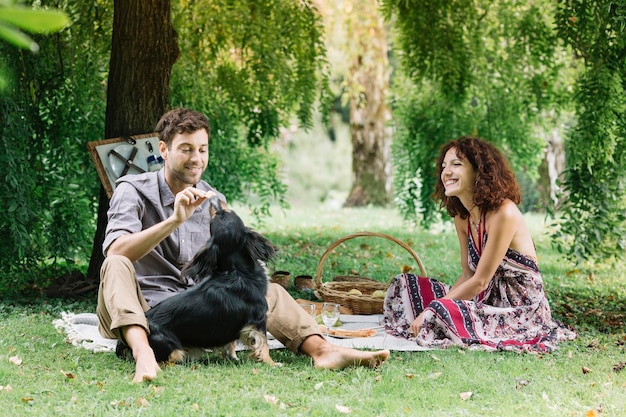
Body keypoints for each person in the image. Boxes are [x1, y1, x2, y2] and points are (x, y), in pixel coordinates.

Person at [96, 108, 389, 382]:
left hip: (196, 313)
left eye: (202, 149)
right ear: (164, 150)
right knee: (115, 263)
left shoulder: (213, 200)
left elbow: (233, 267)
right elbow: (117, 250)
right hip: (143, 311)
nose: (196, 158)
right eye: (186, 149)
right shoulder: (132, 190)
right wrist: (173, 220)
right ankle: (144, 352)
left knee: (268, 290)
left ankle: (324, 352)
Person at [383, 136, 576, 352]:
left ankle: (442, 318)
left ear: (479, 171)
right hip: (485, 300)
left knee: (439, 310)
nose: (446, 172)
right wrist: (437, 306)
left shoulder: (505, 213)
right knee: (406, 285)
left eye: (456, 164)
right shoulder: (462, 218)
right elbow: (467, 275)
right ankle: (442, 317)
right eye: (444, 166)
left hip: (520, 309)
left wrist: (434, 309)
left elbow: (480, 281)